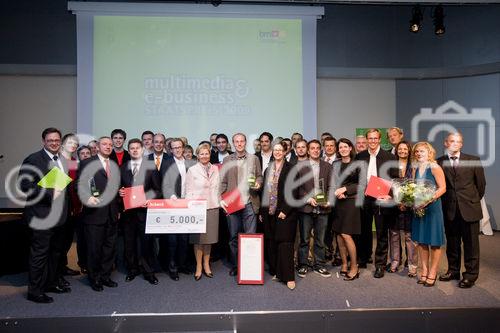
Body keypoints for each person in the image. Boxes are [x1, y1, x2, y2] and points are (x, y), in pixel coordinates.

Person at [18, 127, 70, 303]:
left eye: (57, 140)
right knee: (39, 254)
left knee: (55, 253)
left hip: (59, 216)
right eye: (50, 141)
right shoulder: (33, 159)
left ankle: (50, 283)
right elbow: (24, 185)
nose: (54, 143)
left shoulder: (62, 159)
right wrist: (49, 193)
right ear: (44, 142)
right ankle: (35, 291)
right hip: (41, 216)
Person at [437, 132, 486, 288]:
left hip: (469, 209)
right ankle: (453, 271)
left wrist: (470, 201)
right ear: (446, 143)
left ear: (461, 144)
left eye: (458, 141)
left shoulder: (473, 160)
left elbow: (481, 186)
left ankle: (470, 275)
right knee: (452, 243)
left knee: (471, 244)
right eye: (452, 141)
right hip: (449, 209)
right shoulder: (439, 162)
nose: (455, 144)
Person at [77, 136, 121, 292]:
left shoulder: (114, 164)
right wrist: (88, 197)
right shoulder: (87, 163)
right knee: (94, 248)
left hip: (112, 213)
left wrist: (118, 205)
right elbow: (80, 184)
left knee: (109, 248)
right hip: (94, 214)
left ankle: (105, 276)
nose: (108, 147)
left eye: (110, 145)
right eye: (105, 144)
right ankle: (94, 278)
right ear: (97, 146)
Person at [355, 128, 398, 278]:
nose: (372, 141)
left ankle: (380, 264)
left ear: (380, 140)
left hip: (381, 198)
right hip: (364, 198)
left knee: (381, 232)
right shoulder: (360, 156)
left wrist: (389, 195)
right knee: (364, 229)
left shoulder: (389, 157)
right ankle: (364, 257)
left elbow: (395, 179)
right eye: (370, 138)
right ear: (366, 140)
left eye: (375, 138)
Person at [219, 133, 263, 276]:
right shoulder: (227, 160)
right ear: (233, 143)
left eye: (241, 141)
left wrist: (258, 184)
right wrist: (220, 198)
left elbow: (259, 177)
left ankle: (249, 266)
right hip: (233, 204)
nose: (239, 144)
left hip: (250, 202)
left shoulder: (254, 158)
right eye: (236, 141)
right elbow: (223, 181)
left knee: (250, 236)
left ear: (245, 143)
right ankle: (236, 265)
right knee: (233, 237)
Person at [119, 139, 161, 285]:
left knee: (146, 244)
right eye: (132, 148)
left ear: (142, 150)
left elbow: (157, 190)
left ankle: (149, 272)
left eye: (137, 148)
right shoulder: (122, 167)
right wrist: (120, 193)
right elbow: (120, 189)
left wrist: (148, 199)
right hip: (128, 213)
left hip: (145, 212)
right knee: (129, 244)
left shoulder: (151, 167)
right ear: (128, 151)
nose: (135, 150)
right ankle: (132, 270)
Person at [261, 142, 297, 290]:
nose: (277, 152)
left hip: (285, 212)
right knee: (272, 242)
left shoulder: (291, 169)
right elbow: (264, 191)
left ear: (285, 151)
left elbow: (294, 191)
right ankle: (276, 271)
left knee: (285, 243)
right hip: (269, 212)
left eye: (280, 150)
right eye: (275, 150)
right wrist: (262, 212)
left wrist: (285, 210)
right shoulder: (268, 169)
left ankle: (288, 277)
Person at [411, 142, 446, 287]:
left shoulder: (435, 167)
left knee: (434, 242)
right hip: (419, 208)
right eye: (417, 151)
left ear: (429, 152)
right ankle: (424, 271)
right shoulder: (415, 168)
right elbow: (413, 188)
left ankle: (433, 272)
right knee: (422, 241)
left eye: (422, 151)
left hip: (432, 208)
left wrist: (428, 200)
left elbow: (443, 188)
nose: (419, 154)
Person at [160, 138, 196, 280]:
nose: (177, 150)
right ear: (171, 149)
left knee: (184, 238)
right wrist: (172, 196)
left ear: (183, 147)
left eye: (179, 147)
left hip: (187, 204)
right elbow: (165, 183)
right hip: (173, 204)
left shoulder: (190, 163)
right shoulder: (166, 163)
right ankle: (172, 267)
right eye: (174, 148)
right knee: (173, 239)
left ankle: (182, 265)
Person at [296, 140, 332, 278]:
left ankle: (319, 265)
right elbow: (297, 188)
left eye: (318, 148)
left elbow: (331, 186)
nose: (315, 150)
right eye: (312, 148)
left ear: (320, 150)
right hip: (306, 208)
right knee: (304, 239)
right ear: (308, 151)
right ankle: (303, 265)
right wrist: (308, 199)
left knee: (320, 240)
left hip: (323, 209)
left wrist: (328, 200)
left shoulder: (327, 166)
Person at [185, 144, 220, 280]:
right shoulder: (192, 170)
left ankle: (207, 264)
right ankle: (198, 266)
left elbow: (217, 189)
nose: (204, 156)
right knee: (198, 240)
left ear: (209, 155)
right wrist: (191, 207)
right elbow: (188, 191)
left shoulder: (216, 169)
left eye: (206, 153)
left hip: (212, 206)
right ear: (197, 155)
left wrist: (220, 202)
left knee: (209, 239)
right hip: (197, 208)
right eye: (202, 154)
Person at [331, 138, 364, 281]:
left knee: (346, 234)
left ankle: (354, 267)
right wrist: (335, 192)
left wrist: (345, 189)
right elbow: (332, 182)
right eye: (340, 147)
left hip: (351, 202)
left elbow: (362, 184)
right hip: (338, 202)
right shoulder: (335, 164)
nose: (343, 149)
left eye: (345, 146)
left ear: (350, 148)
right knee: (338, 234)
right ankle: (344, 264)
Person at [388, 141, 418, 276]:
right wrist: (396, 201)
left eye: (405, 149)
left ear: (409, 150)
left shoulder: (414, 166)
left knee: (409, 236)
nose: (402, 151)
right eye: (400, 149)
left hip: (409, 206)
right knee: (394, 234)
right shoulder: (391, 165)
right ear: (396, 150)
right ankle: (395, 261)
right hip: (393, 205)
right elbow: (387, 183)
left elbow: (417, 185)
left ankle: (412, 264)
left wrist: (406, 201)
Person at [59, 134, 81, 278]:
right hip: (58, 208)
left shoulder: (73, 161)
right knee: (58, 241)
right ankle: (56, 271)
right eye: (70, 142)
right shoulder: (57, 160)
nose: (73, 145)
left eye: (75, 143)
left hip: (72, 207)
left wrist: (76, 206)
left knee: (66, 239)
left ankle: (62, 266)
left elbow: (74, 185)